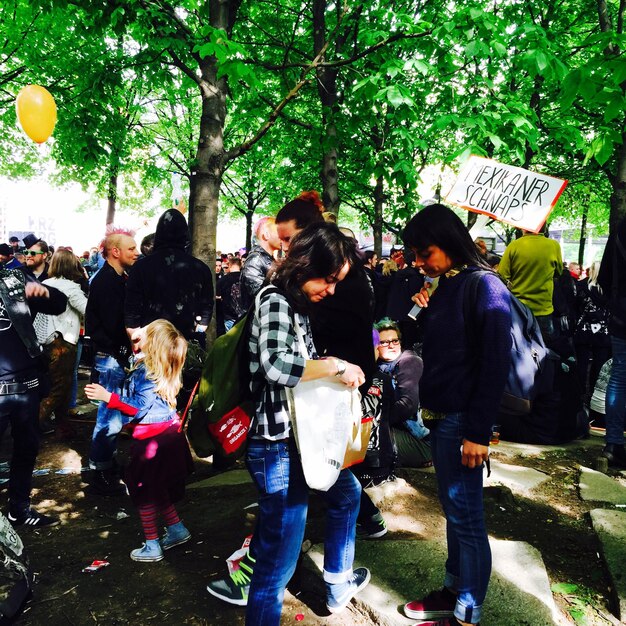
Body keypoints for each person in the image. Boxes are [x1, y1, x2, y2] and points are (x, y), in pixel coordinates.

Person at [208, 222, 370, 623]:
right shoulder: (275, 300)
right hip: (277, 445)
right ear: (304, 264)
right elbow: (278, 365)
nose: (331, 290)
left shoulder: (293, 303)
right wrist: (334, 366)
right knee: (276, 568)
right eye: (329, 279)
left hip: (298, 441)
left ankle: (337, 582)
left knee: (347, 495)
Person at [402, 203, 512, 626]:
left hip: (463, 422)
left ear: (448, 244)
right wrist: (421, 312)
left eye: (424, 252)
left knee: (467, 518)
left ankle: (468, 611)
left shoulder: (485, 286)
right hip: (443, 420)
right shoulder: (447, 286)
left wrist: (479, 432)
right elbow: (432, 346)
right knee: (455, 511)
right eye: (414, 254)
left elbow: (493, 365)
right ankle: (453, 591)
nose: (418, 262)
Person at [85, 319, 193, 562]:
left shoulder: (147, 371)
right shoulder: (162, 367)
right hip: (167, 437)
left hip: (152, 442)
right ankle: (176, 529)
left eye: (147, 332)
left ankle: (152, 545)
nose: (139, 331)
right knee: (158, 487)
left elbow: (139, 408)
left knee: (143, 491)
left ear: (153, 343)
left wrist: (108, 397)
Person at [0, 264, 67, 527]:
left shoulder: (12, 277)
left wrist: (43, 292)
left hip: (25, 385)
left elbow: (59, 303)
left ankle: (19, 509)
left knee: (26, 450)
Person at [85, 229, 139, 495]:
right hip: (110, 358)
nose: (136, 252)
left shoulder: (116, 278)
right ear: (115, 251)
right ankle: (100, 470)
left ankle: (104, 465)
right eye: (131, 248)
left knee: (113, 415)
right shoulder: (106, 281)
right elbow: (113, 323)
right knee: (109, 417)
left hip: (113, 357)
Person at [125, 209, 213, 342]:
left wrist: (137, 339)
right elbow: (206, 308)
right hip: (185, 342)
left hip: (152, 343)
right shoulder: (201, 268)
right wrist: (198, 332)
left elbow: (132, 311)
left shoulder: (141, 267)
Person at [34, 249, 88, 439]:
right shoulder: (71, 287)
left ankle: (62, 425)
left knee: (55, 386)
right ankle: (32, 426)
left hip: (43, 341)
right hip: (63, 342)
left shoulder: (45, 283)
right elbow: (87, 309)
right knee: (58, 389)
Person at [375, 318, 431, 468]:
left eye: (395, 340)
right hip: (393, 431)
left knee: (367, 437)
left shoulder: (409, 362)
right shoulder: (377, 366)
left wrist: (376, 422)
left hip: (418, 440)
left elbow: (408, 405)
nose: (391, 345)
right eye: (384, 342)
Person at [498, 225, 562, 344]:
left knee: (518, 348)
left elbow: (502, 276)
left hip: (518, 309)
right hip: (544, 309)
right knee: (544, 350)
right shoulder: (554, 246)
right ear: (545, 227)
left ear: (524, 227)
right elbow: (559, 272)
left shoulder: (514, 245)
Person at [598, 216, 626, 468]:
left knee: (619, 377)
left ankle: (613, 444)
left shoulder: (620, 229)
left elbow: (604, 276)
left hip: (622, 316)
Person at [574, 261, 610, 400]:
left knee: (582, 363)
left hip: (583, 330)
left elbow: (575, 307)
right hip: (603, 333)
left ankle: (580, 391)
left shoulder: (581, 285)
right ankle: (595, 393)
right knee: (599, 364)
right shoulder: (608, 289)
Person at [240, 216, 281, 309]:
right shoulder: (255, 260)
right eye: (278, 232)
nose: (282, 236)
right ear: (266, 235)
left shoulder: (265, 258)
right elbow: (261, 294)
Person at [216, 256, 244, 332]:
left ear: (230, 265)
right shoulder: (246, 278)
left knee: (230, 341)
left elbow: (217, 294)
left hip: (229, 316)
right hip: (245, 315)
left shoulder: (223, 280)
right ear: (240, 265)